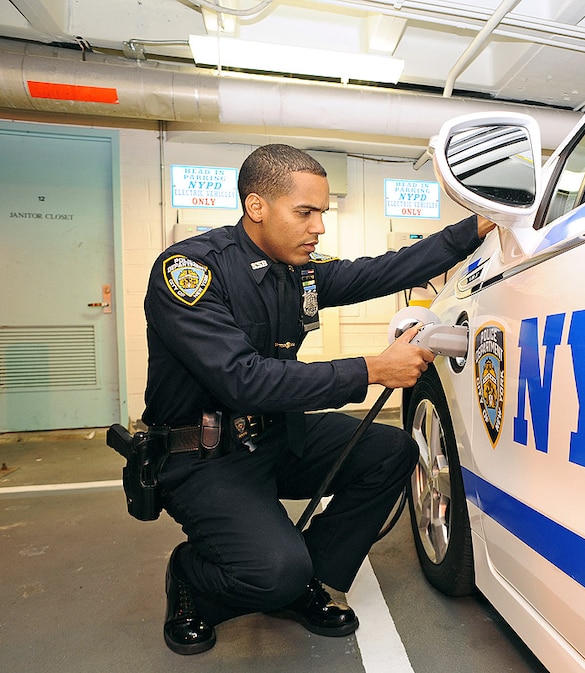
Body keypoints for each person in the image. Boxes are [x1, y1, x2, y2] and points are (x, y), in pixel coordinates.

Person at [141, 143, 494, 655]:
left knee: (392, 451)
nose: (318, 227)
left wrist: (477, 228)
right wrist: (373, 369)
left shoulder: (296, 273)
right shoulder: (191, 273)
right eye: (305, 213)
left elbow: (382, 270)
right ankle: (193, 577)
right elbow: (243, 380)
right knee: (272, 572)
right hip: (205, 456)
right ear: (256, 206)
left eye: (321, 214)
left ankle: (306, 579)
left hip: (277, 436)